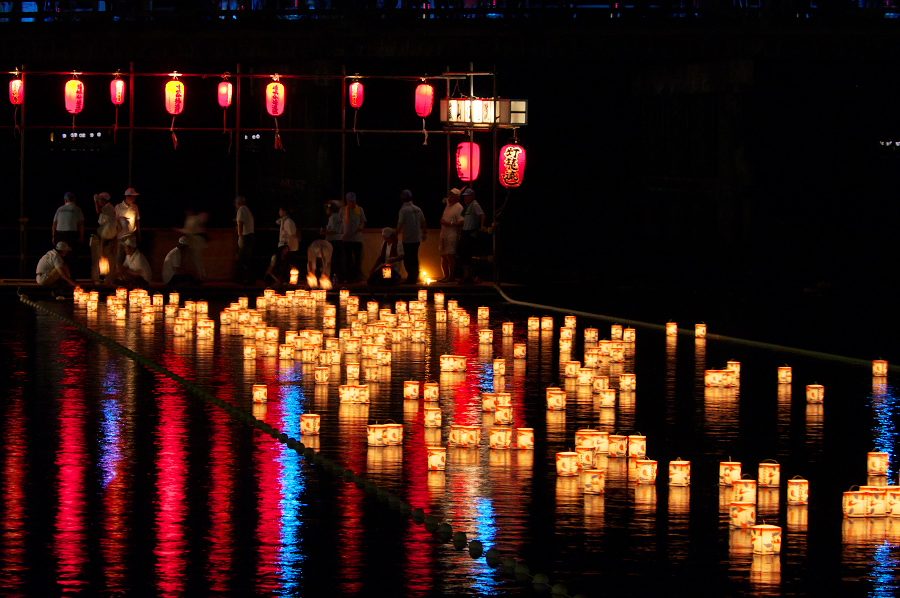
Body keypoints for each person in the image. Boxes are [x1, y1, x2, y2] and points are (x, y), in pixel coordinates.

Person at [396, 189, 427, 284]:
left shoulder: (403, 210)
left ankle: (410, 278)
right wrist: (424, 233)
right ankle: (415, 277)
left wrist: (396, 233)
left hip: (408, 238)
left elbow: (400, 223)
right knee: (414, 257)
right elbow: (423, 222)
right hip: (416, 238)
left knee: (408, 259)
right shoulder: (417, 209)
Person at [458, 186, 486, 283]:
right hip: (465, 232)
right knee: (463, 255)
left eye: (467, 196)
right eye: (465, 196)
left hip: (471, 232)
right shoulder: (467, 206)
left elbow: (482, 215)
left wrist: (481, 226)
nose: (465, 198)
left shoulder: (474, 204)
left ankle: (472, 277)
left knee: (470, 255)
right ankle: (466, 276)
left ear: (472, 196)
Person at [439, 187, 463, 282]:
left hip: (452, 234)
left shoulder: (459, 207)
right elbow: (444, 200)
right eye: (450, 195)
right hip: (443, 234)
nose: (450, 197)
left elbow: (461, 222)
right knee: (443, 255)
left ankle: (451, 276)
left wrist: (449, 224)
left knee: (450, 256)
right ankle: (445, 276)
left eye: (452, 195)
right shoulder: (448, 205)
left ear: (457, 197)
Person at [92, 191, 117, 282]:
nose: (99, 202)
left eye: (100, 200)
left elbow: (98, 211)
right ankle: (105, 277)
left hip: (107, 237)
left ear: (104, 200)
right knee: (104, 257)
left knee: (104, 257)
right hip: (106, 236)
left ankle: (106, 278)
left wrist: (95, 201)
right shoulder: (108, 208)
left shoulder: (108, 208)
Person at [341, 191, 366, 282]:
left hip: (357, 239)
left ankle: (357, 277)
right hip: (346, 238)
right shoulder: (343, 210)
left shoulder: (359, 209)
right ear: (347, 201)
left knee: (357, 259)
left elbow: (363, 221)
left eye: (353, 201)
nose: (352, 203)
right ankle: (348, 277)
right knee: (347, 259)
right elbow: (340, 222)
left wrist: (360, 227)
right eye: (350, 201)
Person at [178, 208, 209, 280]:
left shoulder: (194, 219)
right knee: (192, 259)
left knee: (196, 259)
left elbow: (190, 230)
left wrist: (179, 230)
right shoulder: (191, 219)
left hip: (195, 241)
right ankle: (198, 276)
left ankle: (200, 276)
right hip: (192, 241)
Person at [52, 191, 85, 256]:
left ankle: (59, 265)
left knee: (60, 255)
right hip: (71, 235)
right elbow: (81, 224)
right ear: (74, 199)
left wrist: (53, 236)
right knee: (72, 254)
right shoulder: (77, 209)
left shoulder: (59, 209)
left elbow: (54, 224)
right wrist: (81, 237)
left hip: (59, 235)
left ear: (65, 200)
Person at [115, 187, 141, 265]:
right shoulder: (118, 207)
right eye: (133, 196)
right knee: (120, 256)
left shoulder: (135, 207)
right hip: (121, 237)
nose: (135, 198)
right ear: (128, 196)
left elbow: (137, 221)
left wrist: (139, 234)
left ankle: (129, 275)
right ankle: (119, 275)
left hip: (132, 236)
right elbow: (115, 222)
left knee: (132, 258)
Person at [234, 195, 255, 284]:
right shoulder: (247, 210)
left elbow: (240, 223)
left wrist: (240, 235)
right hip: (250, 236)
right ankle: (248, 279)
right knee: (247, 258)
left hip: (246, 237)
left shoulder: (241, 209)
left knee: (241, 258)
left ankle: (241, 279)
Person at [324, 199, 343, 282]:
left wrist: (324, 231)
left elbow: (334, 230)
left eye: (328, 208)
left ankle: (332, 277)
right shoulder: (337, 217)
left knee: (332, 260)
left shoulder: (333, 217)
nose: (326, 210)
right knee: (336, 260)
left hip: (333, 241)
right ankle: (336, 277)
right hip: (338, 241)